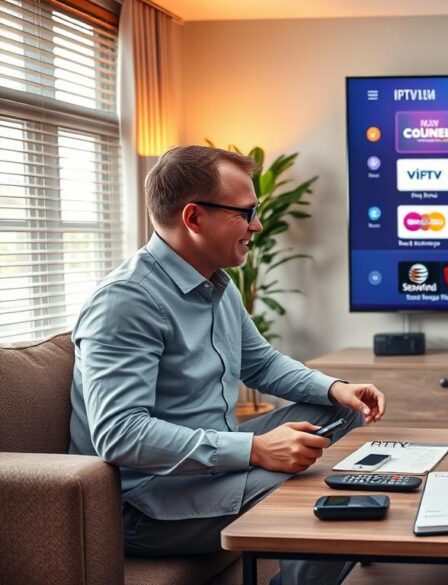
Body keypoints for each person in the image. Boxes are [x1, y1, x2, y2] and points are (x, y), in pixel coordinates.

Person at [68, 146, 387, 585]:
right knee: (319, 495)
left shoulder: (216, 282)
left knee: (340, 410)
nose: (257, 225)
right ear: (194, 218)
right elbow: (119, 434)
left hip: (210, 465)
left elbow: (262, 364)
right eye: (246, 212)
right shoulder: (126, 301)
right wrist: (255, 450)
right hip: (146, 502)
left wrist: (336, 389)